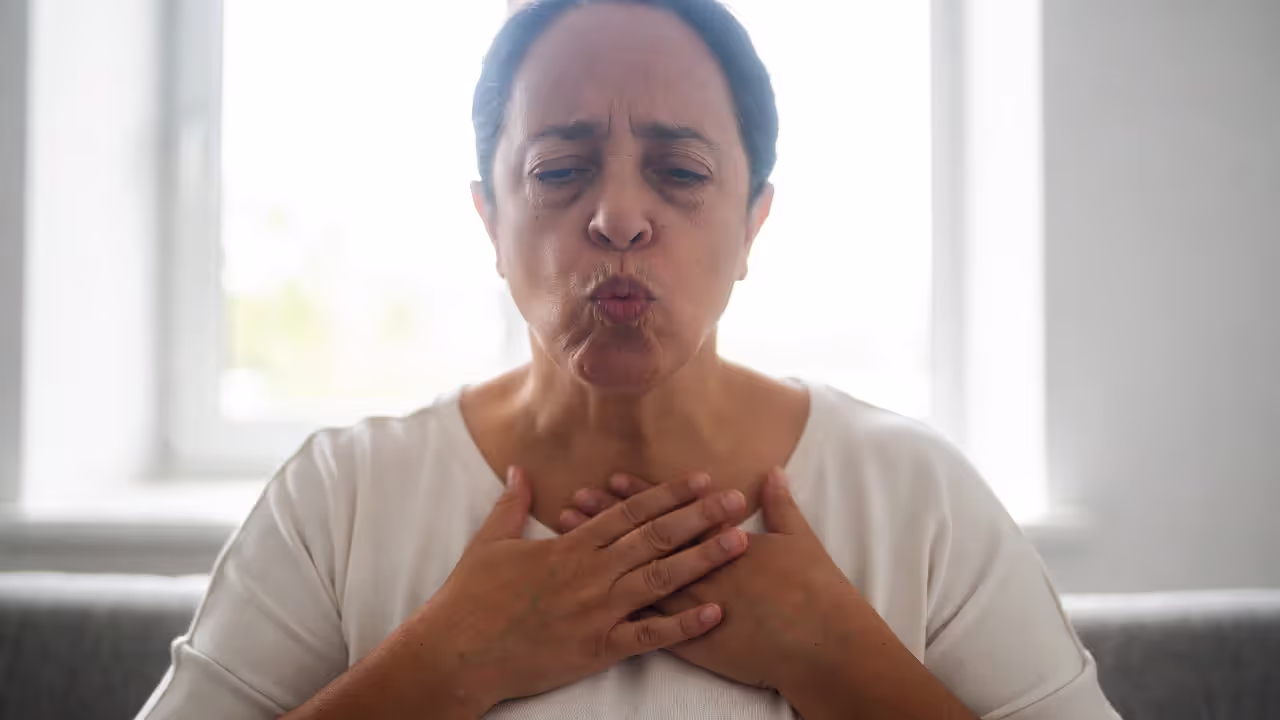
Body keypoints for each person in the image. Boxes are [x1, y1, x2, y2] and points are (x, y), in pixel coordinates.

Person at [137, 0, 1121, 717]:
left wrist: (840, 660)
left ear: (752, 225)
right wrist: (445, 665)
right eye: (558, 171)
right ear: (489, 219)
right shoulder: (340, 499)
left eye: (679, 171)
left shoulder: (915, 498)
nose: (614, 216)